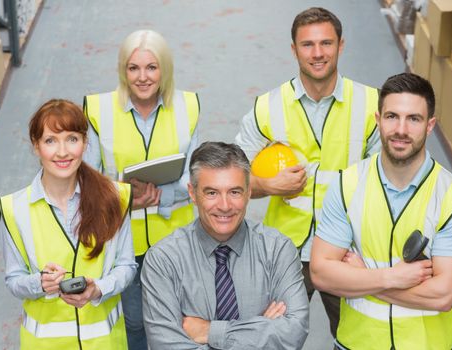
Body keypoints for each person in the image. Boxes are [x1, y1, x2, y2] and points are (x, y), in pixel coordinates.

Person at [235, 7, 380, 335]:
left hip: (346, 250)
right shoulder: (267, 107)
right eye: (307, 45)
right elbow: (234, 180)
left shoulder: (371, 104)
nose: (317, 54)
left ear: (341, 46)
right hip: (284, 252)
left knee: (355, 337)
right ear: (294, 49)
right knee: (275, 337)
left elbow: (388, 182)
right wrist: (269, 185)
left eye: (326, 43)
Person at [310, 73, 452, 349]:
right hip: (356, 344)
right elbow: (321, 273)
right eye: (392, 116)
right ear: (378, 120)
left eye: (413, 119)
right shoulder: (347, 185)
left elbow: (443, 296)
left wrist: (364, 277)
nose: (401, 129)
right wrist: (392, 277)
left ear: (429, 125)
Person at [83, 29, 200, 349]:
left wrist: (161, 197)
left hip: (175, 240)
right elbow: (87, 181)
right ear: (123, 70)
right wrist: (124, 199)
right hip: (123, 240)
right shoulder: (98, 110)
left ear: (165, 69)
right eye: (134, 68)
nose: (143, 77)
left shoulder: (188, 106)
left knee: (177, 320)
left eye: (152, 67)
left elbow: (196, 177)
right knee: (134, 321)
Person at [141, 141, 309, 349]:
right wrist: (260, 329)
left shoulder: (277, 250)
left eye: (235, 192)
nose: (224, 205)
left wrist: (209, 332)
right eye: (211, 193)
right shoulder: (163, 260)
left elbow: (293, 333)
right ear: (192, 194)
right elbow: (166, 345)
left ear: (248, 193)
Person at [0, 99, 136, 349]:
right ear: (36, 146)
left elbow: (126, 265)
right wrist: (39, 283)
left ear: (84, 143)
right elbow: (14, 279)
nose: (63, 152)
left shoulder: (116, 197)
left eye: (72, 139)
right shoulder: (13, 208)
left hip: (105, 344)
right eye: (51, 140)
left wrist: (98, 289)